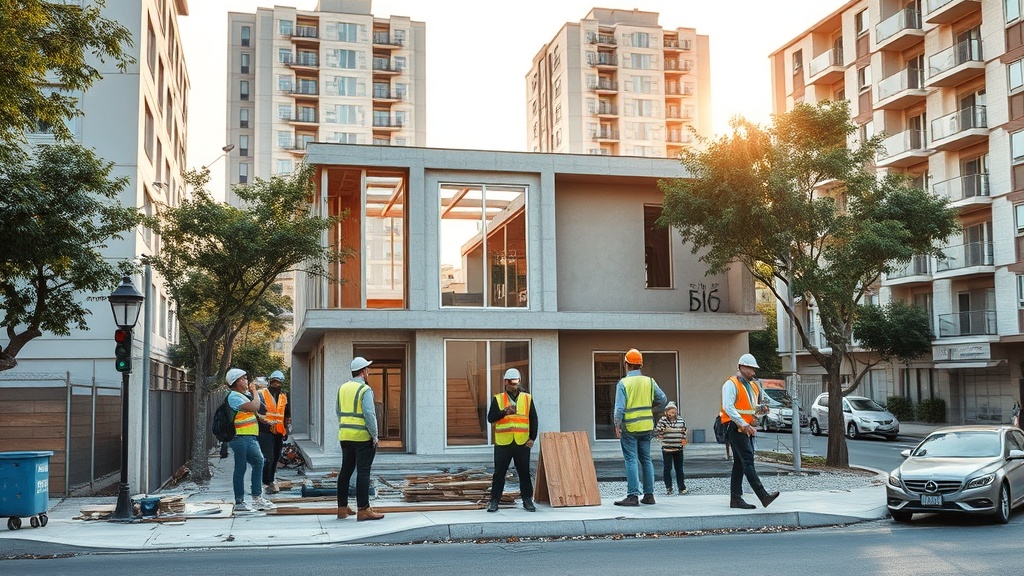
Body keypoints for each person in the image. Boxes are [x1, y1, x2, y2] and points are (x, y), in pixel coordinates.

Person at [720, 353, 780, 510]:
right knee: (747, 460)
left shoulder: (753, 386)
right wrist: (743, 424)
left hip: (746, 428)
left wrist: (759, 413)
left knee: (739, 464)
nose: (753, 372)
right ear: (741, 367)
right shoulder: (731, 384)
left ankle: (736, 498)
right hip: (735, 427)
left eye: (754, 369)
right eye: (750, 369)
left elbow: (750, 409)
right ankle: (763, 495)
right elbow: (728, 407)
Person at [613, 348, 667, 506]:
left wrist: (617, 425)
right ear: (640, 365)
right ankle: (649, 495)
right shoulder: (649, 381)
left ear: (627, 364)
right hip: (647, 426)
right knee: (646, 459)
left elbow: (619, 409)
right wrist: (652, 409)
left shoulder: (623, 383)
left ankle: (633, 496)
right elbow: (662, 399)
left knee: (631, 459)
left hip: (629, 427)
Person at [336, 356, 383, 521]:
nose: (368, 371)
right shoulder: (365, 390)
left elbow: (338, 411)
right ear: (363, 372)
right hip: (362, 437)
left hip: (345, 436)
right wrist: (375, 435)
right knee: (363, 472)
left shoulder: (342, 388)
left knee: (346, 471)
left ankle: (342, 508)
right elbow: (370, 414)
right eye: (367, 369)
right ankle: (363, 509)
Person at [486, 368, 539, 513]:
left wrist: (532, 438)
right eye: (511, 382)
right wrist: (504, 412)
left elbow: (533, 418)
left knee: (524, 472)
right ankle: (494, 501)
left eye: (516, 382)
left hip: (522, 442)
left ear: (519, 382)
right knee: (499, 473)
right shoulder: (498, 398)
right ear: (505, 382)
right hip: (503, 443)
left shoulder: (527, 398)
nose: (514, 385)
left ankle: (527, 500)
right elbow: (490, 418)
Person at [224, 368, 276, 513]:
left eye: (246, 378)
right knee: (241, 468)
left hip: (249, 437)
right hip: (240, 437)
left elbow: (255, 411)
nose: (247, 380)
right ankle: (240, 501)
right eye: (243, 378)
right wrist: (255, 392)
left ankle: (257, 497)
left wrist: (263, 421)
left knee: (259, 462)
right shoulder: (234, 396)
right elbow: (255, 406)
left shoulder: (242, 395)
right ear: (235, 381)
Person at [258, 370, 290, 494]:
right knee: (268, 457)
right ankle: (265, 482)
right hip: (265, 431)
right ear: (270, 381)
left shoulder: (283, 396)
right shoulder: (262, 394)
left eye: (279, 382)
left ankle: (270, 480)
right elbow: (258, 413)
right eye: (274, 382)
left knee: (276, 456)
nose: (276, 385)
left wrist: (286, 429)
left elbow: (286, 414)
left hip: (278, 431)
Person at [655, 401, 688, 495]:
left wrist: (684, 443)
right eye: (670, 412)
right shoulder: (663, 421)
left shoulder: (681, 420)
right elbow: (658, 431)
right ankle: (668, 487)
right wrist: (661, 435)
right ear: (666, 412)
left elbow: (684, 433)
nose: (672, 414)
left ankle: (682, 487)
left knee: (679, 469)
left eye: (674, 412)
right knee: (667, 468)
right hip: (667, 449)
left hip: (678, 449)